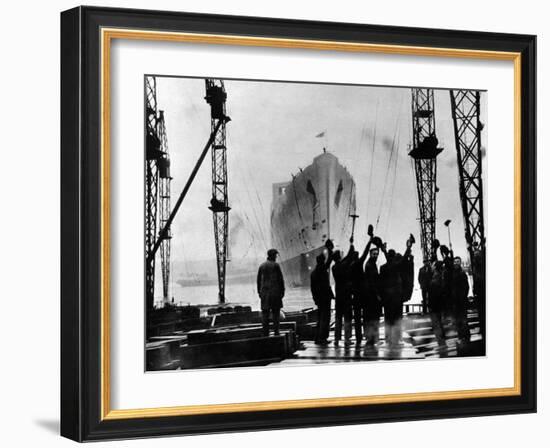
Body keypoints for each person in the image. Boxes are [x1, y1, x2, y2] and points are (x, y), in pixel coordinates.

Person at [379, 236, 413, 347]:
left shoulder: (383, 268)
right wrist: (408, 247)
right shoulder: (397, 265)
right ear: (394, 257)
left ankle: (388, 338)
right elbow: (404, 258)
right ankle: (398, 338)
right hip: (397, 298)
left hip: (387, 299)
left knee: (388, 319)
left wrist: (383, 250)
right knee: (398, 318)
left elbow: (381, 284)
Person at [310, 240, 335, 345]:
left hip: (319, 298)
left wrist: (315, 299)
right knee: (325, 318)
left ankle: (317, 337)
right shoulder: (322, 269)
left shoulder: (313, 273)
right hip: (325, 298)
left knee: (320, 318)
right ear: (321, 261)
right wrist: (330, 249)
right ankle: (322, 338)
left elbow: (312, 288)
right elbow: (330, 259)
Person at [257, 248, 285, 337]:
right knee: (276, 313)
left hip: (264, 293)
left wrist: (259, 292)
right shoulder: (276, 265)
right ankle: (276, 332)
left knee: (265, 314)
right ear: (272, 256)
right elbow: (281, 280)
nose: (276, 257)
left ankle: (266, 333)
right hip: (275, 293)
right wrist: (282, 291)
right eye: (276, 255)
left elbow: (258, 281)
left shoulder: (261, 266)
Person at [332, 240, 355, 346]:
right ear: (339, 257)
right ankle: (347, 339)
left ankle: (336, 339)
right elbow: (350, 256)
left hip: (338, 295)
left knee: (338, 318)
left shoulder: (334, 267)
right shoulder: (343, 265)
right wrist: (351, 244)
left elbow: (346, 258)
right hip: (346, 295)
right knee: (347, 318)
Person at [450, 256, 471, 344]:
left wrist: (462, 297)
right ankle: (461, 336)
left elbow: (466, 287)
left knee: (463, 320)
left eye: (458, 262)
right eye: (455, 262)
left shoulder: (462, 273)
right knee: (457, 320)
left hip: (461, 301)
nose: (456, 263)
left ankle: (466, 337)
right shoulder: (452, 273)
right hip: (455, 301)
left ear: (460, 262)